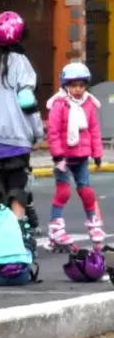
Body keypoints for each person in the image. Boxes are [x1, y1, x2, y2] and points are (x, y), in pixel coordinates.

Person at [0, 11, 43, 243]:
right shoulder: (19, 62)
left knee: (4, 182)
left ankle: (3, 230)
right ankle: (17, 232)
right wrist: (37, 131)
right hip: (17, 134)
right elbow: (26, 100)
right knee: (19, 186)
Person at [45, 61, 105, 253]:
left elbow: (94, 130)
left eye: (81, 85)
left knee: (86, 192)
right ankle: (56, 224)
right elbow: (53, 131)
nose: (78, 90)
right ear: (65, 86)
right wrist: (57, 155)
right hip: (63, 156)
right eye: (73, 86)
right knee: (63, 192)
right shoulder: (59, 105)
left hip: (82, 156)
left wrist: (97, 154)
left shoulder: (89, 104)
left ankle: (93, 222)